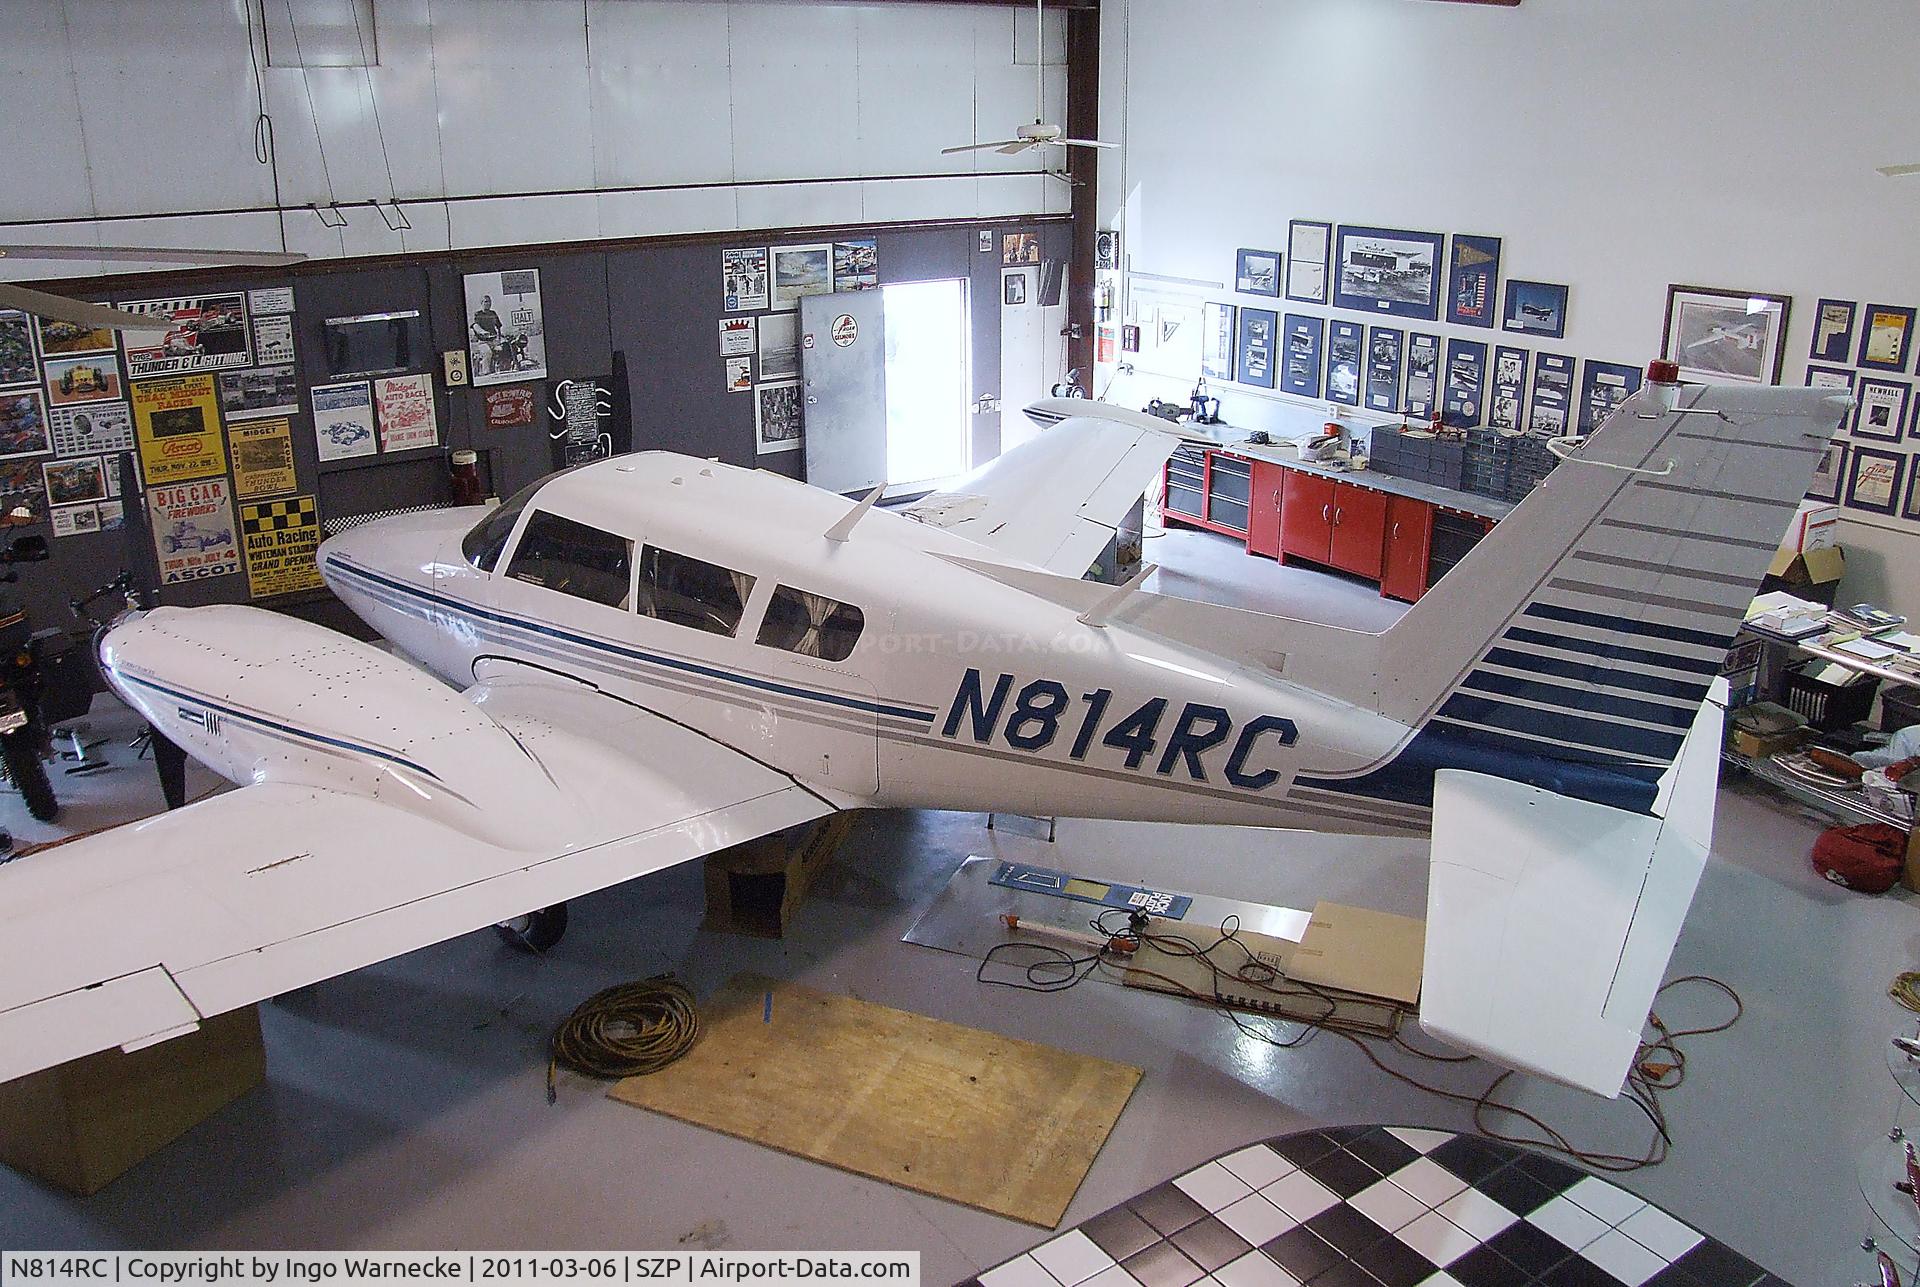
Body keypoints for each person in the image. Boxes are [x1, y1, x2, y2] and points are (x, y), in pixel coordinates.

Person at [471, 294, 504, 375]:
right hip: (483, 341)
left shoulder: (493, 313)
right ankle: (486, 372)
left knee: (505, 349)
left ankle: (503, 368)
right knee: (487, 352)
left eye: (489, 302)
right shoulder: (478, 314)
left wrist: (499, 339)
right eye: (486, 302)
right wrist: (482, 332)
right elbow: (476, 326)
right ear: (481, 303)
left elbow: (498, 326)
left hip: (494, 340)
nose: (488, 303)